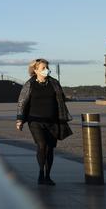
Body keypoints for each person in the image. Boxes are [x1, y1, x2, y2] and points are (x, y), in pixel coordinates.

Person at [16, 58, 73, 186]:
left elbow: (61, 98)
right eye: (43, 68)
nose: (46, 70)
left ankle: (48, 176)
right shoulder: (29, 84)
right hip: (35, 120)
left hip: (53, 121)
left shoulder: (54, 83)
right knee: (42, 145)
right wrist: (20, 119)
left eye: (47, 67)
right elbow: (22, 102)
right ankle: (41, 173)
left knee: (50, 149)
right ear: (35, 70)